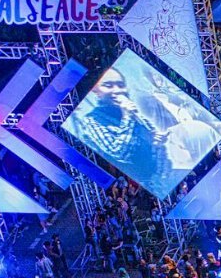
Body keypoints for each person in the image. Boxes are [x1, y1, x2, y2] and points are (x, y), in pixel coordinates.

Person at [67, 66, 172, 194]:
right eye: (108, 85)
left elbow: (152, 135)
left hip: (162, 178)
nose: (116, 90)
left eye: (120, 85)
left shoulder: (130, 110)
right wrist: (127, 116)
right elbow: (118, 151)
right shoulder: (91, 120)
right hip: (145, 185)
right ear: (96, 90)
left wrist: (157, 137)